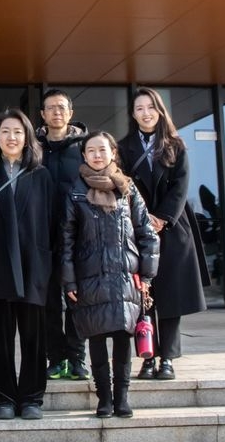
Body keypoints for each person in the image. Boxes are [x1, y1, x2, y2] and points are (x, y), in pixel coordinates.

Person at [62, 132, 159, 418]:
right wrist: (69, 280)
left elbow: (147, 234)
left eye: (102, 150)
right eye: (91, 151)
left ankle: (122, 398)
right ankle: (104, 398)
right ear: (84, 156)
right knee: (96, 339)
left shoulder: (127, 189)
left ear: (112, 153)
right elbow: (66, 240)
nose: (97, 155)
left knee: (122, 338)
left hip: (125, 277)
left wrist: (147, 276)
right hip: (89, 277)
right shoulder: (76, 192)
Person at [117, 86, 208, 382]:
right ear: (133, 114)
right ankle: (147, 357)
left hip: (172, 227)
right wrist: (143, 220)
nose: (146, 113)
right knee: (143, 296)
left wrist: (162, 218)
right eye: (139, 108)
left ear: (160, 110)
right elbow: (123, 187)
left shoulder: (176, 146)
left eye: (150, 107)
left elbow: (181, 186)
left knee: (170, 297)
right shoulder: (123, 147)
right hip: (137, 229)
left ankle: (167, 357)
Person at [0, 108, 57, 421]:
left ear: (27, 137)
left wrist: (49, 262)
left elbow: (51, 222)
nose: (11, 137)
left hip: (33, 264)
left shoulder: (41, 175)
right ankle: (4, 398)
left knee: (34, 336)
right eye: (5, 131)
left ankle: (32, 397)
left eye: (18, 131)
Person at [37, 88, 90, 381]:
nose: (56, 112)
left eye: (61, 107)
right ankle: (55, 359)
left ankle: (77, 358)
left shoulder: (84, 147)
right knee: (48, 303)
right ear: (42, 115)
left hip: (77, 235)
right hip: (43, 236)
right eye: (50, 108)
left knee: (76, 299)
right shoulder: (34, 148)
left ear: (70, 112)